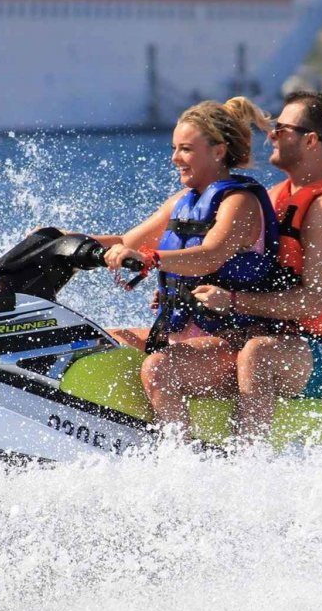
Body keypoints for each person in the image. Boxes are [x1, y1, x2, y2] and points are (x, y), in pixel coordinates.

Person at [192, 91, 322, 439]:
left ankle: (249, 463)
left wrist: (234, 302)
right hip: (283, 336)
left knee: (258, 355)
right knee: (160, 345)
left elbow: (313, 301)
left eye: (282, 129)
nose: (271, 135)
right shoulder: (274, 197)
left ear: (311, 140)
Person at [88, 97, 289, 430]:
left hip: (231, 344)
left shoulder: (240, 201)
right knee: (100, 340)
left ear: (218, 152)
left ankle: (183, 459)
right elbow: (128, 242)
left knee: (158, 367)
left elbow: (211, 254)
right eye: (174, 148)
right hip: (181, 335)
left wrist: (151, 259)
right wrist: (62, 240)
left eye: (185, 149)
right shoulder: (184, 202)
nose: (175, 158)